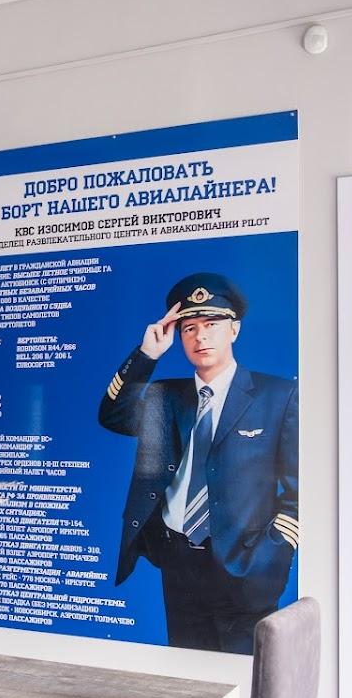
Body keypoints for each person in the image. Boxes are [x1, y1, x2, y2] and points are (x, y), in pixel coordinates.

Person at [98, 272, 298, 653]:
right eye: (189, 328)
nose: (200, 337)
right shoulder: (165, 397)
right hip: (178, 565)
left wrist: (271, 558)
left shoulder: (279, 396)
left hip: (245, 570)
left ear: (234, 330)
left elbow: (299, 491)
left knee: (246, 677)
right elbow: (112, 415)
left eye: (211, 325)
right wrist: (147, 355)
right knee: (188, 675)